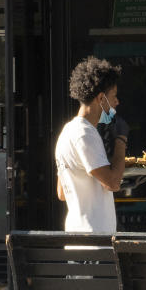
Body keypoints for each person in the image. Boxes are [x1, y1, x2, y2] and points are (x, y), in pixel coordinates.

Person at [55, 56, 129, 232]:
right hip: (94, 240)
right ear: (101, 98)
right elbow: (112, 183)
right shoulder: (85, 133)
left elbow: (62, 193)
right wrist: (121, 140)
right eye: (114, 96)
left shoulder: (67, 131)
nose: (117, 102)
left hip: (77, 234)